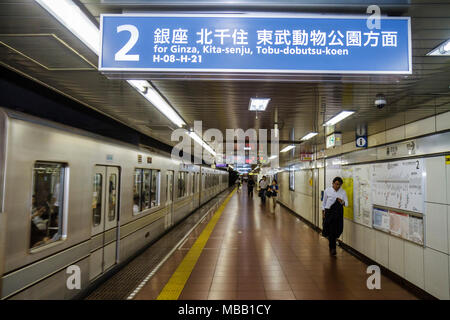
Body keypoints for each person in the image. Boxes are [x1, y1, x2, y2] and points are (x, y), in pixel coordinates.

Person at [322, 177, 348, 256]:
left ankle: (332, 241)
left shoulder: (343, 192)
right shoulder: (327, 191)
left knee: (339, 230)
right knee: (331, 230)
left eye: (339, 185)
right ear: (333, 183)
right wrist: (323, 212)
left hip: (338, 213)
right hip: (329, 212)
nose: (338, 186)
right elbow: (324, 202)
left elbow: (346, 204)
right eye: (336, 184)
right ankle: (332, 248)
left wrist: (342, 201)